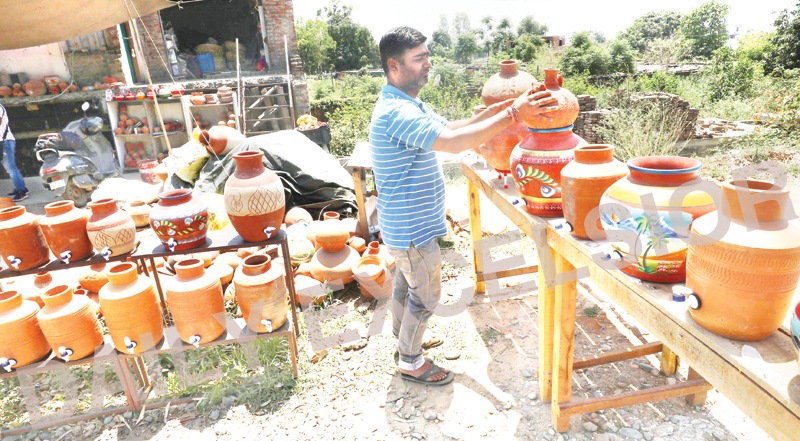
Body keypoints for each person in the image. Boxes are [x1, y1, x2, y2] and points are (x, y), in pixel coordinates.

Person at [369, 26, 558, 385]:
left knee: (406, 285)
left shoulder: (405, 103)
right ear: (394, 66)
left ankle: (405, 341)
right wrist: (514, 114)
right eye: (419, 58)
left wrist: (497, 110)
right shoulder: (397, 113)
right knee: (426, 295)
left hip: (404, 223)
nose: (428, 64)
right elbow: (455, 143)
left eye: (427, 56)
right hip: (411, 227)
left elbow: (452, 128)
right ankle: (410, 361)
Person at [0, 103, 28, 202]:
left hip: (5, 141)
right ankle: (21, 188)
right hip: (3, 142)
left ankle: (21, 191)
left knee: (11, 168)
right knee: (9, 168)